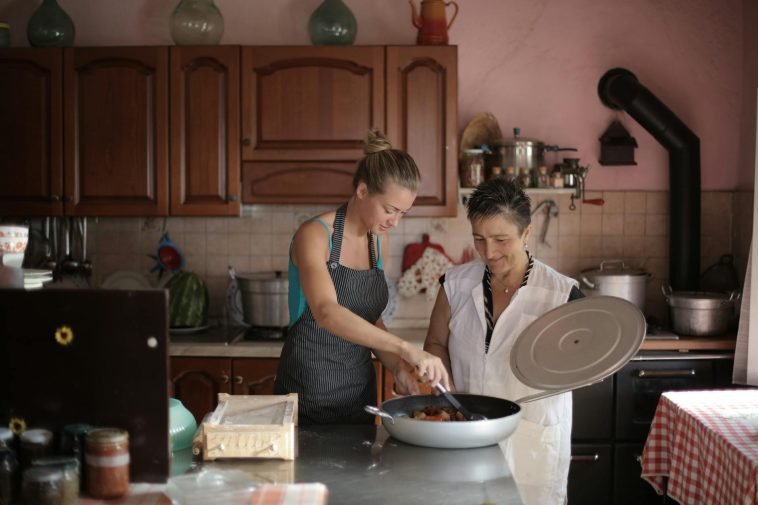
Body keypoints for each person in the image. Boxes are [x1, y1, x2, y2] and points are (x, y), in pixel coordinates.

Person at [423, 177, 583, 504]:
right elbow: (436, 344)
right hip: (467, 434)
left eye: (500, 239)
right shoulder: (453, 284)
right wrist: (446, 387)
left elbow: (586, 362)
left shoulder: (562, 293)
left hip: (532, 440)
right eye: (479, 239)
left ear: (526, 233)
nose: (489, 252)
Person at [274, 129, 450, 425]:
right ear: (363, 190)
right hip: (308, 393)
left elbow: (370, 319)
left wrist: (397, 368)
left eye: (403, 213)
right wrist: (406, 349)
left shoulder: (378, 241)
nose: (394, 222)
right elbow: (327, 313)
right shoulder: (315, 235)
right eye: (389, 209)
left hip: (359, 395)